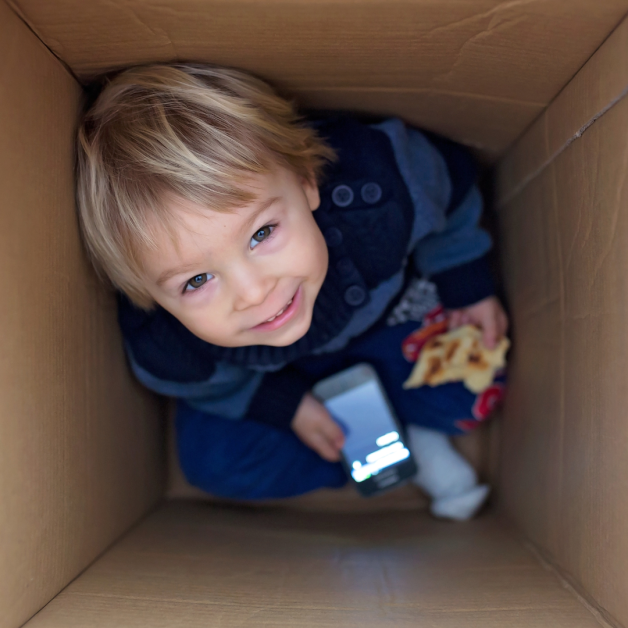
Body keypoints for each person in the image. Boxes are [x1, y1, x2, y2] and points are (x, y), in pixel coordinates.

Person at [76, 63, 508, 520]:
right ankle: (381, 445)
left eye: (262, 233)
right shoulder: (168, 342)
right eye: (196, 281)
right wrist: (286, 406)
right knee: (213, 463)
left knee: (475, 380)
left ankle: (401, 431)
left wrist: (464, 277)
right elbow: (203, 384)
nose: (254, 293)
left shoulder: (378, 190)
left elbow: (452, 180)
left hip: (387, 316)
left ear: (306, 182)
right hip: (274, 375)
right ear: (148, 295)